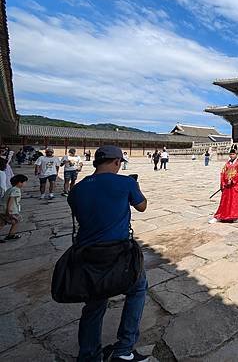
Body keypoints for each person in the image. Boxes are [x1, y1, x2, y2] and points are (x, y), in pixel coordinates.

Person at [68, 146, 148, 362]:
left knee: (94, 303)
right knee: (138, 289)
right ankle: (124, 349)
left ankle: (88, 355)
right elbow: (142, 206)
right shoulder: (126, 183)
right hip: (118, 253)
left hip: (88, 255)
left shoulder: (77, 189)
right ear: (116, 162)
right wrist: (134, 186)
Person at [209, 148, 238, 224]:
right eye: (230, 154)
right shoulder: (227, 164)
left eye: (233, 154)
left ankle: (234, 217)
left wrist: (232, 180)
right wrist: (223, 182)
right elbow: (222, 173)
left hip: (234, 186)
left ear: (236, 155)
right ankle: (219, 216)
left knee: (234, 201)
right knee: (224, 201)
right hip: (226, 186)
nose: (232, 156)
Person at [0, 174, 28, 242]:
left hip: (2, 208)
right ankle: (11, 235)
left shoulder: (10, 189)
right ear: (19, 183)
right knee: (16, 221)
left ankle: (11, 235)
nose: (25, 183)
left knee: (2, 223)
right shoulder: (16, 190)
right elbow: (11, 200)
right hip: (10, 210)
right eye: (24, 182)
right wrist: (9, 211)